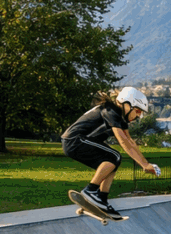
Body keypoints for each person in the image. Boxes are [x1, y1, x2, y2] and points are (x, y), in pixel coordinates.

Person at [61, 87, 160, 219]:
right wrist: (143, 164)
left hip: (79, 141)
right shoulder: (110, 111)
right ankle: (90, 191)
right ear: (127, 104)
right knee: (114, 156)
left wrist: (146, 164)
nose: (138, 116)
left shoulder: (119, 116)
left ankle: (101, 198)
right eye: (137, 111)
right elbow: (123, 142)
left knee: (114, 160)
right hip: (74, 140)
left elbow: (131, 141)